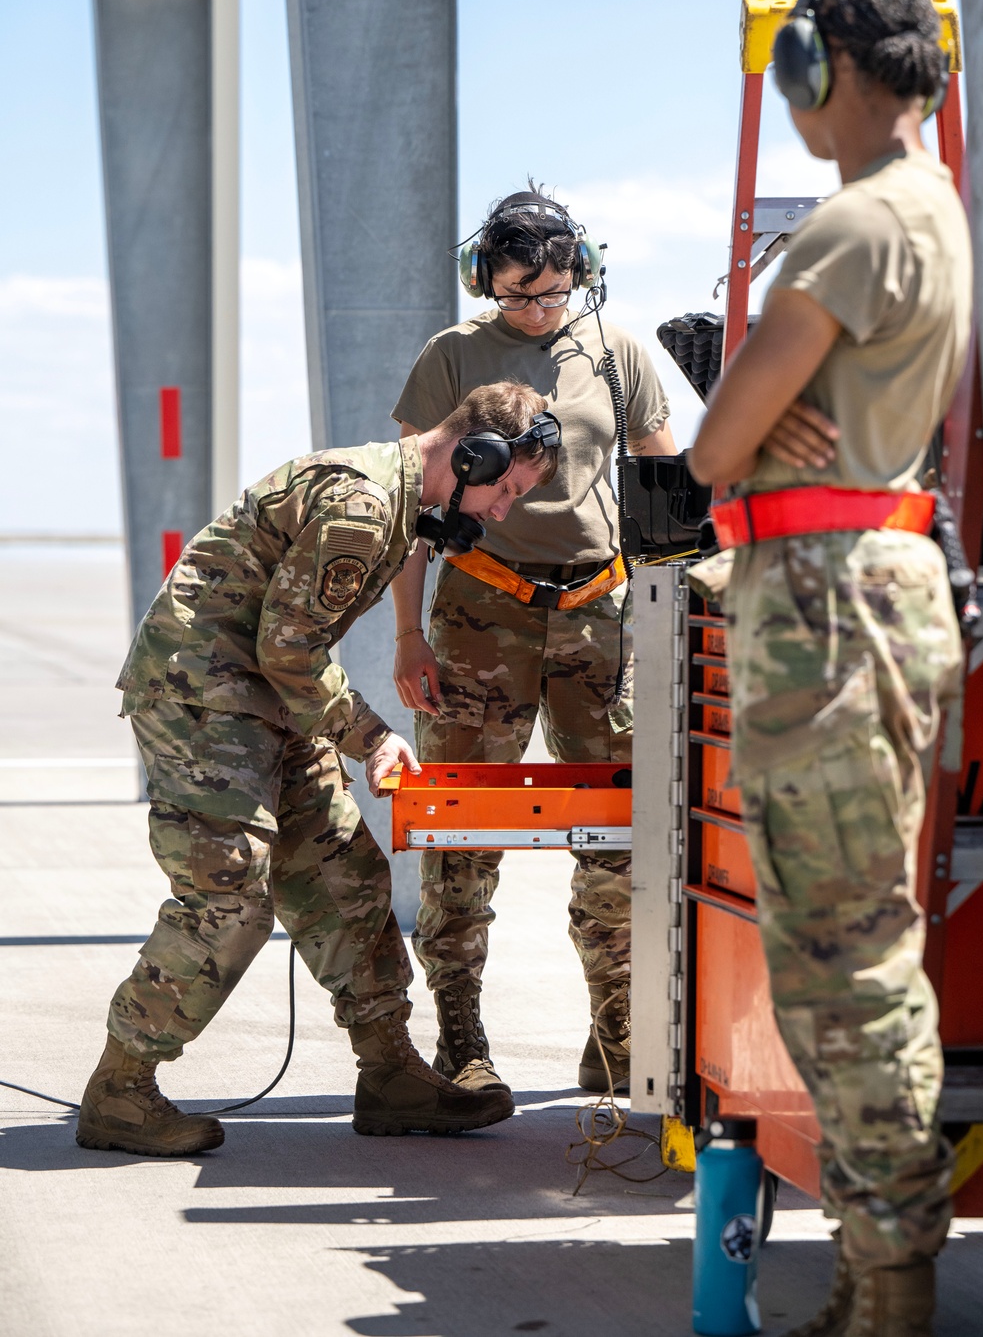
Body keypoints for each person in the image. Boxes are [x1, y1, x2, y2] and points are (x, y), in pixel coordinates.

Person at [689, 0, 971, 1336]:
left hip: (825, 601)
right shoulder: (939, 212)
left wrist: (753, 420)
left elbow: (714, 444)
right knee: (862, 947)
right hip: (885, 586)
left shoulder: (854, 227)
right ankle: (872, 1269)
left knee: (842, 959)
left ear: (840, 69)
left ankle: (894, 1282)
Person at [76, 382, 560, 1156]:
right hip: (203, 692)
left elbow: (289, 659)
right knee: (228, 899)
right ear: (473, 455)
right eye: (505, 489)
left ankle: (390, 1073)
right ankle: (121, 1089)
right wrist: (371, 738)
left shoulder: (402, 511)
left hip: (268, 697)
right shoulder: (365, 510)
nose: (502, 510)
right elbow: (289, 648)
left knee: (345, 878)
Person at [391, 188, 675, 1097]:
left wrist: (671, 626)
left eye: (555, 292)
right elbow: (418, 500)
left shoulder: (616, 352)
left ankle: (618, 1026)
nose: (540, 310)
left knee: (620, 832)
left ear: (581, 275)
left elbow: (663, 487)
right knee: (463, 830)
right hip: (485, 616)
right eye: (520, 294)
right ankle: (461, 1038)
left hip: (602, 618)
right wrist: (408, 633)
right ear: (487, 279)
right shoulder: (455, 356)